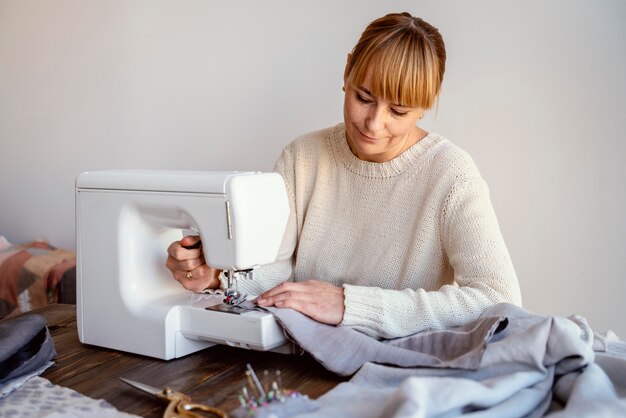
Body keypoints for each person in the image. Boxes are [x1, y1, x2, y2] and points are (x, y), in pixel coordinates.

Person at [166, 12, 522, 339]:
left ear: (427, 103)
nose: (374, 123)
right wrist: (215, 276)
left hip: (404, 366)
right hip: (303, 358)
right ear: (347, 71)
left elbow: (499, 301)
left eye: (398, 110)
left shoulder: (452, 175)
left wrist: (350, 305)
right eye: (364, 97)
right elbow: (275, 274)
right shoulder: (302, 157)